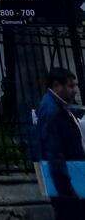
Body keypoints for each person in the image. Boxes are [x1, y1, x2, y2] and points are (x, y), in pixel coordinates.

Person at [37, 67, 85, 217]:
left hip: (70, 182)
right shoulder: (52, 111)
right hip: (67, 186)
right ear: (57, 85)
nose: (75, 90)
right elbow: (54, 151)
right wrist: (68, 189)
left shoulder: (58, 106)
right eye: (71, 86)